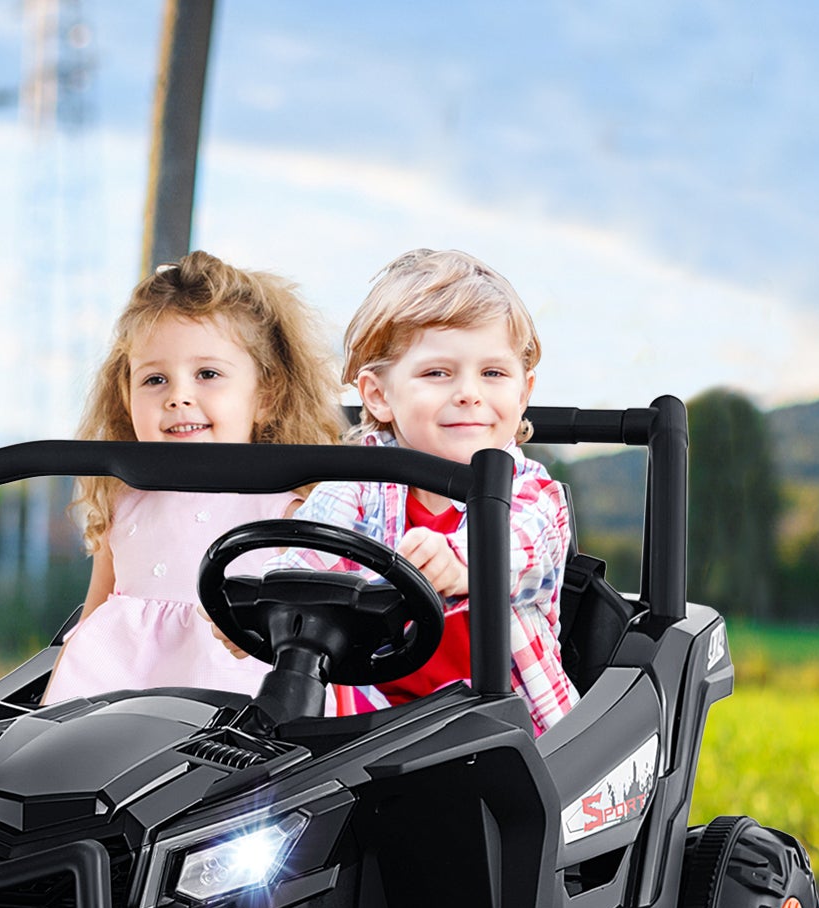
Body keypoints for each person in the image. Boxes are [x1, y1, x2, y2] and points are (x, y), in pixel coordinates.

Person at [293, 248, 577, 734]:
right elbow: (307, 552)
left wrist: (462, 560)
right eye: (438, 373)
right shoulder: (357, 486)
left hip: (509, 727)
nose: (469, 392)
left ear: (523, 391)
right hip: (373, 723)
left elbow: (524, 547)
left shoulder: (531, 492)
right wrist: (272, 603)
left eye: (493, 373)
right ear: (379, 395)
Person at [42, 251, 344, 705]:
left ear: (265, 396)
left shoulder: (285, 509)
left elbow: (312, 635)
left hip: (229, 712)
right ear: (125, 397)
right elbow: (94, 616)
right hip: (106, 701)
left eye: (207, 374)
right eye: (154, 380)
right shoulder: (123, 499)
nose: (179, 396)